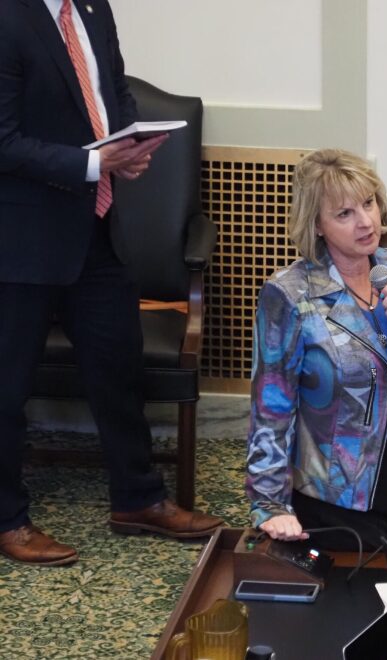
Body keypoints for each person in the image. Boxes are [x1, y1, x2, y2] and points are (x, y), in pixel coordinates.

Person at [0, 0, 223, 567]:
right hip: (21, 240)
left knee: (118, 366)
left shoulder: (94, 10)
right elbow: (3, 142)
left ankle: (138, 498)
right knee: (6, 388)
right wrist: (96, 164)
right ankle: (8, 519)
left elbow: (112, 93)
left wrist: (135, 143)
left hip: (96, 229)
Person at [246, 149, 387, 553]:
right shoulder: (290, 295)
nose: (366, 222)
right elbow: (271, 407)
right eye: (344, 214)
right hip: (337, 491)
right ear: (316, 225)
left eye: (367, 203)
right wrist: (270, 503)